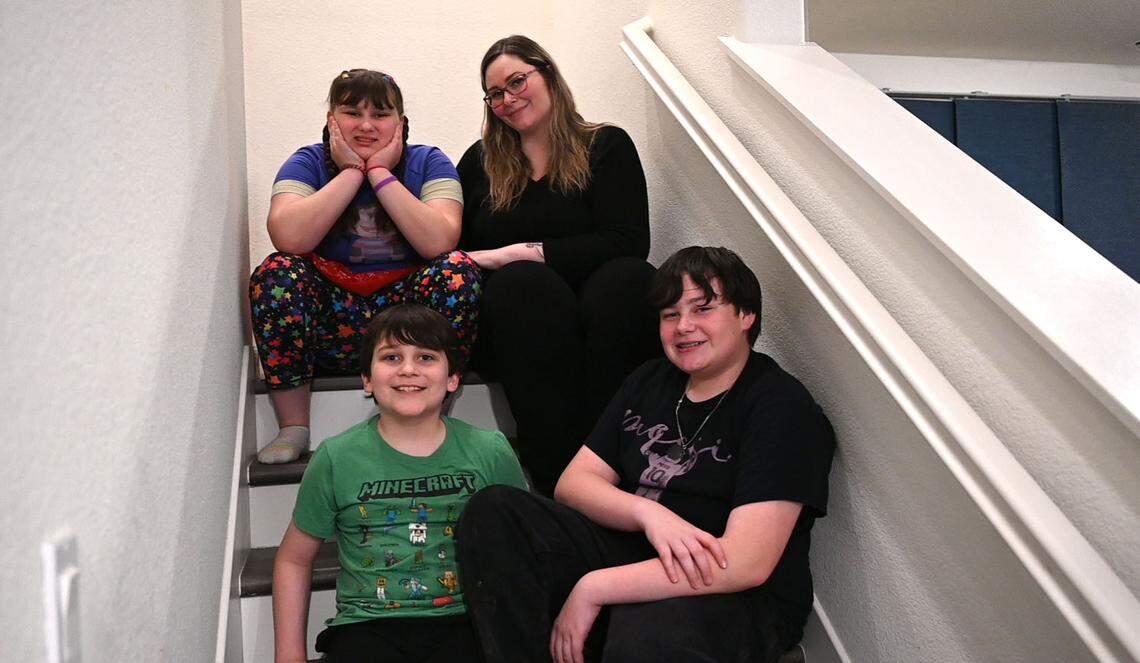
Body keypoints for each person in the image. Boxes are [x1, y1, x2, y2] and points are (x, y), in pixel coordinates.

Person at [456, 247, 836, 663]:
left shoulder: (781, 406)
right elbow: (573, 484)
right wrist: (650, 514)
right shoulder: (651, 380)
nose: (683, 326)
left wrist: (595, 586)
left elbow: (747, 563)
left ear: (746, 316)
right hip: (638, 550)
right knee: (496, 511)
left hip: (731, 591)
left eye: (702, 308)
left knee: (646, 632)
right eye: (670, 314)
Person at [457, 36, 661, 496]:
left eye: (517, 82)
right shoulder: (480, 163)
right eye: (495, 94)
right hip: (519, 318)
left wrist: (521, 251)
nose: (508, 100)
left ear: (546, 73)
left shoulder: (605, 145)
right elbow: (458, 249)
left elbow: (629, 240)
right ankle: (558, 480)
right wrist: (514, 263)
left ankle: (615, 462)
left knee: (628, 279)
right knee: (523, 285)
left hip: (600, 310)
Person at [272, 304, 529, 663]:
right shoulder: (336, 457)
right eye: (391, 357)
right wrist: (288, 656)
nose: (408, 369)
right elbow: (294, 561)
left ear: (453, 379)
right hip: (366, 626)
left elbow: (524, 549)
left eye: (426, 357)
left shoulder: (491, 451)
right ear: (367, 380)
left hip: (466, 620)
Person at [250, 68, 481, 464]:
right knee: (276, 272)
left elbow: (439, 241)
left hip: (407, 325)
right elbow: (288, 237)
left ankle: (430, 418)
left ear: (401, 123)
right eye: (353, 113)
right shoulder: (307, 161)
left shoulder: (429, 161)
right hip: (332, 324)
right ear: (332, 121)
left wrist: (379, 173)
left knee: (456, 270)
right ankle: (294, 426)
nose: (367, 125)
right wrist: (352, 172)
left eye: (381, 114)